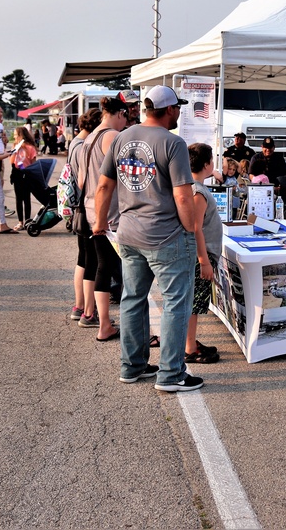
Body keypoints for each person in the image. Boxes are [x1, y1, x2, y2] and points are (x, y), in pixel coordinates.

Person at [93, 84, 203, 392]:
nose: (179, 112)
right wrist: (191, 231)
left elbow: (104, 187)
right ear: (170, 110)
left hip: (128, 233)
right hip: (165, 234)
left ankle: (132, 366)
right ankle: (171, 374)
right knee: (175, 303)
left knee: (132, 299)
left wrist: (99, 225)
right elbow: (183, 196)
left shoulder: (122, 137)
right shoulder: (173, 143)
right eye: (177, 107)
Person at [77, 96, 129, 341]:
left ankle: (104, 323)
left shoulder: (88, 138)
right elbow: (123, 175)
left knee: (103, 267)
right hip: (109, 214)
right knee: (126, 272)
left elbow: (80, 180)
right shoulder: (111, 137)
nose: (125, 123)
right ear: (119, 114)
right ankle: (134, 328)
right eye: (126, 117)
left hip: (90, 209)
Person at [186, 142, 222, 364]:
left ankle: (189, 342)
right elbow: (196, 227)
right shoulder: (198, 191)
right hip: (201, 256)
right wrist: (204, 261)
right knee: (193, 304)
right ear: (207, 164)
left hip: (201, 254)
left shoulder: (192, 186)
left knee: (192, 303)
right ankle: (189, 348)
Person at [66, 108, 102, 323]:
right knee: (91, 261)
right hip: (86, 208)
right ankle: (88, 310)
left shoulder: (74, 143)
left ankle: (80, 306)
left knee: (83, 259)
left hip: (79, 209)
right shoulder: (84, 147)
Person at [9, 126, 51, 231]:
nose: (14, 136)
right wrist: (15, 151)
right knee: (18, 199)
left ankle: (27, 220)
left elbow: (33, 164)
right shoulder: (14, 145)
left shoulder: (30, 148)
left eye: (16, 134)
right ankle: (20, 222)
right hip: (17, 174)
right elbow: (11, 162)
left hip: (27, 174)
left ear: (21, 136)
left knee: (26, 199)